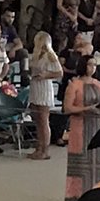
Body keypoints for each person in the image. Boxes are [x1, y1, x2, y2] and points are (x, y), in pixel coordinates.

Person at [64, 56, 100, 201]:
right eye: (90, 64)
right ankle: (77, 194)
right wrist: (86, 109)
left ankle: (99, 191)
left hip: (97, 126)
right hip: (80, 127)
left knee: (99, 160)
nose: (93, 68)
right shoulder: (74, 85)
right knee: (80, 161)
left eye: (95, 65)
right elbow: (68, 108)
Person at [28, 31, 62, 160]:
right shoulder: (36, 55)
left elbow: (59, 72)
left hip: (44, 87)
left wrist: (46, 75)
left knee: (43, 120)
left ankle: (45, 150)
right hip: (35, 86)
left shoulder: (50, 55)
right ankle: (38, 147)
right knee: (37, 119)